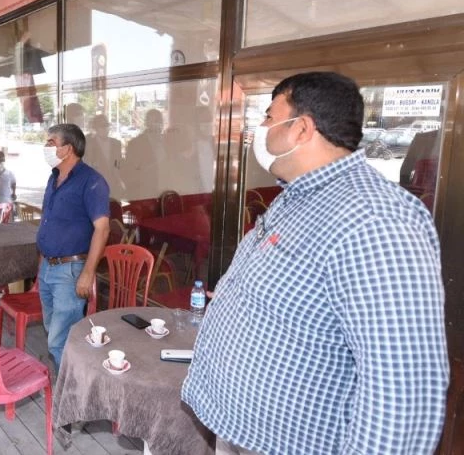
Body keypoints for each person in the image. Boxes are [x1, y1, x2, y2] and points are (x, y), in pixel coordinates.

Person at [181, 72, 448, 454]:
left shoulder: (374, 220)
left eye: (269, 117)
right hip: (244, 431)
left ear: (302, 129)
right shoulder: (296, 197)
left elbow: (401, 390)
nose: (261, 129)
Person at [37, 123, 110, 368]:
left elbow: (102, 229)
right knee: (53, 331)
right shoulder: (54, 177)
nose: (46, 147)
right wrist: (42, 264)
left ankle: (70, 388)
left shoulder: (91, 181)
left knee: (60, 340)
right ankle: (67, 381)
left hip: (70, 271)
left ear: (68, 149)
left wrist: (87, 274)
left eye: (51, 143)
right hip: (48, 267)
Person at [122, 109, 166, 200]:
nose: (158, 124)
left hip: (167, 192)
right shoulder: (135, 144)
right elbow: (131, 172)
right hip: (145, 195)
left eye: (159, 121)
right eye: (154, 121)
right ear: (147, 123)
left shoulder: (168, 141)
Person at [83, 114, 124, 198]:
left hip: (114, 185)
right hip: (96, 185)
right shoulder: (89, 144)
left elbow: (118, 163)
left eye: (106, 125)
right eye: (101, 126)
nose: (105, 128)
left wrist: (119, 179)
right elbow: (88, 164)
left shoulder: (116, 143)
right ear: (95, 128)